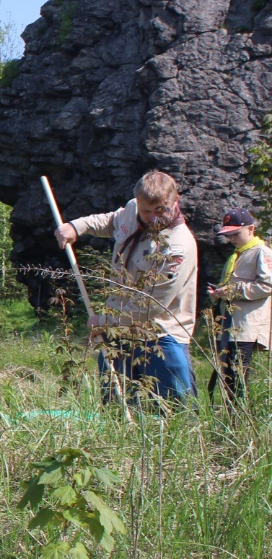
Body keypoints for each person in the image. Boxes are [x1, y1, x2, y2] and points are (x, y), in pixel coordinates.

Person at [55, 170, 198, 404]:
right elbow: (113, 221)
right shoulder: (133, 209)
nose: (153, 217)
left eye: (161, 210)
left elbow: (150, 307)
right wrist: (76, 226)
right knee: (117, 407)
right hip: (117, 333)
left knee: (176, 412)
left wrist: (103, 322)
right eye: (146, 211)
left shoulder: (178, 247)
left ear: (176, 201)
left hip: (161, 337)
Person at [207, 207, 272, 402]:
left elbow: (267, 284)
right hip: (229, 324)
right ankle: (231, 418)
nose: (232, 239)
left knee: (237, 378)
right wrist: (218, 293)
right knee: (227, 377)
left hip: (245, 327)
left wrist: (231, 291)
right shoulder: (237, 255)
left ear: (251, 229)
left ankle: (240, 420)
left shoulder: (261, 252)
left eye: (236, 234)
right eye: (228, 236)